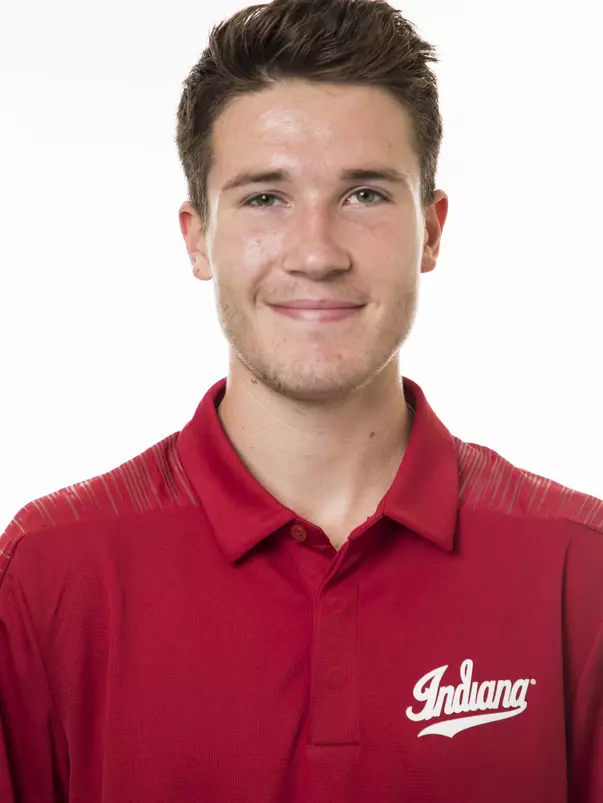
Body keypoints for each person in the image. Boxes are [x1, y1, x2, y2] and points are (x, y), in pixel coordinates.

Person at [1, 0, 601, 800]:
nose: (316, 254)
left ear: (430, 231)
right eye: (264, 198)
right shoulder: (51, 570)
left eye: (364, 195)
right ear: (195, 236)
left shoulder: (577, 568)